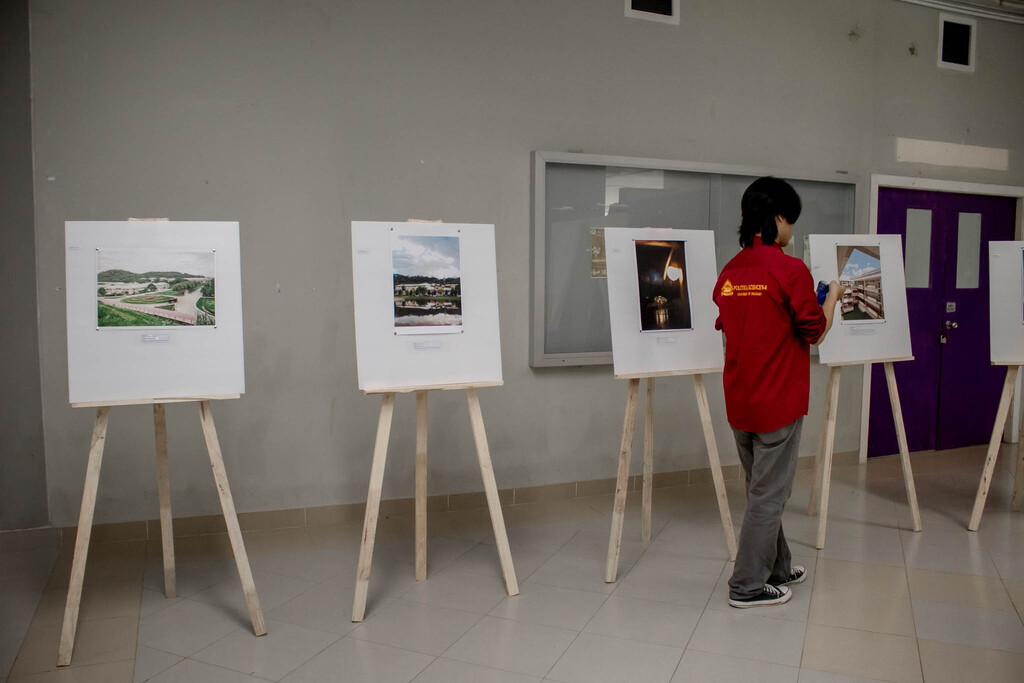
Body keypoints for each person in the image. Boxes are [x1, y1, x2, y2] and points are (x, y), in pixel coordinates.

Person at [712, 177, 841, 608]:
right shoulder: (790, 270)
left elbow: (730, 327)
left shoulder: (731, 271)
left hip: (741, 402)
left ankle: (778, 567)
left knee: (761, 491)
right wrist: (833, 299)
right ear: (777, 218)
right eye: (791, 220)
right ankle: (746, 586)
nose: (793, 230)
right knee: (769, 495)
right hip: (778, 404)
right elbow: (815, 332)